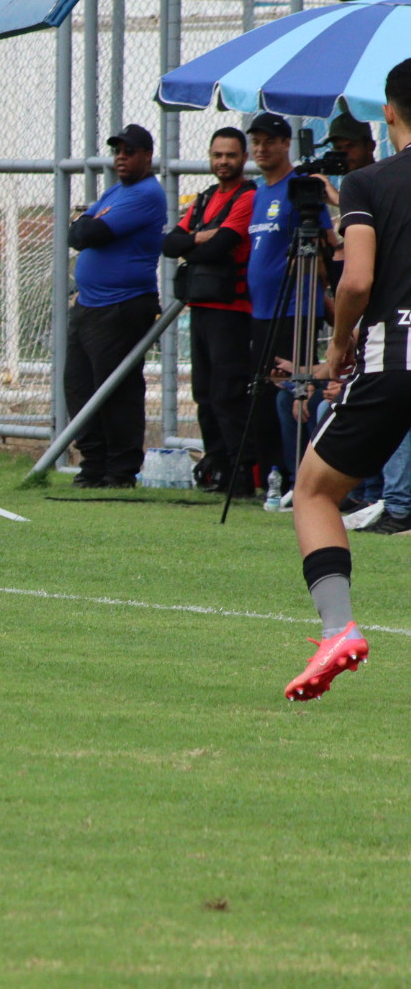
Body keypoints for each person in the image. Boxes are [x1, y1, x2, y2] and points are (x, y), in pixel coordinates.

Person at [283, 58, 411, 701]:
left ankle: (339, 631)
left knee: (314, 490)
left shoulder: (368, 182)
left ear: (388, 112)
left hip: (398, 360)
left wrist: (338, 346)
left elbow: (356, 279)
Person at [65, 124, 167, 489]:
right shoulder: (115, 191)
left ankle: (120, 470)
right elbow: (75, 232)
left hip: (122, 306)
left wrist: (85, 224)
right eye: (117, 151)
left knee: (115, 390)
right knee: (77, 385)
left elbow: (88, 233)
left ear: (146, 156)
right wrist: (84, 224)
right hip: (89, 305)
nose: (121, 157)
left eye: (129, 151)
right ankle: (93, 464)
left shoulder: (146, 194)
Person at [160, 128, 258, 494]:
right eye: (217, 155)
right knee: (203, 393)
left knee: (228, 393)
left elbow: (222, 246)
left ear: (243, 157)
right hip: (201, 306)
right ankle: (216, 465)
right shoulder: (204, 199)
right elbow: (169, 243)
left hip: (231, 310)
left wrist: (195, 241)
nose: (223, 162)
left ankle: (242, 473)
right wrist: (201, 237)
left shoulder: (247, 197)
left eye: (230, 155)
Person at [244, 112, 336, 496]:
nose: (262, 148)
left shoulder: (299, 187)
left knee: (294, 394)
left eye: (270, 141)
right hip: (262, 309)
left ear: (286, 144)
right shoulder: (257, 192)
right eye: (257, 142)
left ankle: (304, 480)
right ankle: (275, 476)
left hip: (294, 308)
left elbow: (327, 245)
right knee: (267, 395)